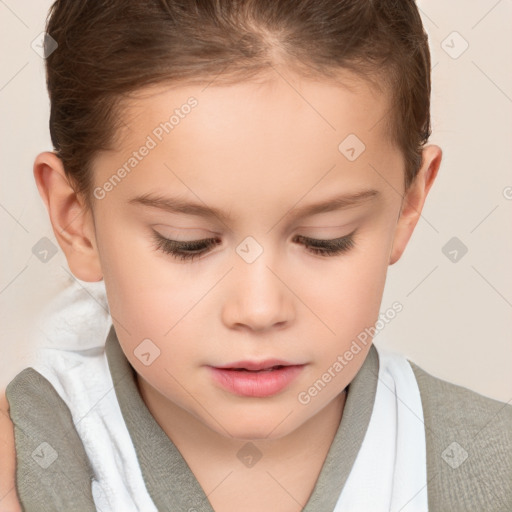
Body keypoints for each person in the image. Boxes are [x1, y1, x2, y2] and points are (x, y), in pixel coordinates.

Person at [1, 0, 511, 511]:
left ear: (408, 204)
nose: (260, 309)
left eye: (325, 238)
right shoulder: (31, 462)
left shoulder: (489, 467)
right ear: (77, 220)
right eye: (188, 243)